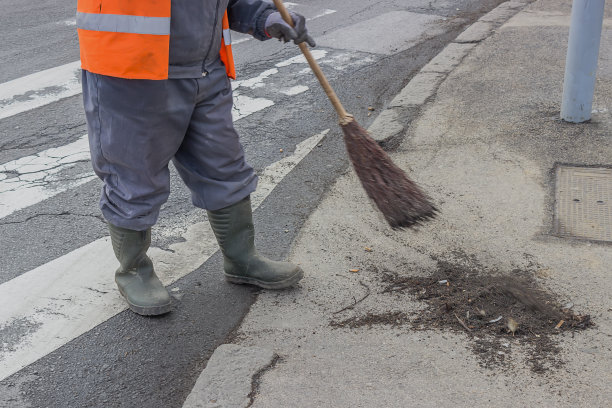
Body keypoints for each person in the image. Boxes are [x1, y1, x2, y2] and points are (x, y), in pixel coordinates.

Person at [76, 0, 316, 316]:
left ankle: (242, 259)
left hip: (205, 72)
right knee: (133, 178)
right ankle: (133, 271)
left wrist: (266, 17)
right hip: (132, 74)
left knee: (224, 166)